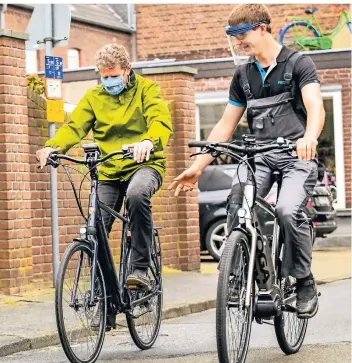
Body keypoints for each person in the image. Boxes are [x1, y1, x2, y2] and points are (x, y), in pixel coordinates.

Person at [168, 4, 325, 319]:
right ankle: (240, 275)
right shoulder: (243, 75)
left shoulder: (298, 64)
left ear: (263, 28)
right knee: (237, 200)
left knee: (286, 209)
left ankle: (304, 278)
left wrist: (309, 137)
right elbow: (225, 124)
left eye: (243, 34)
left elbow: (315, 105)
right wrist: (198, 166)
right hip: (259, 157)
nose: (239, 42)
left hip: (297, 156)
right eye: (233, 37)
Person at [37, 43, 173, 295]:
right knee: (95, 224)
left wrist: (148, 141)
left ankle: (140, 269)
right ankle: (103, 290)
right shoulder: (94, 97)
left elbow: (160, 120)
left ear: (127, 70)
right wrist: (52, 146)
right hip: (109, 169)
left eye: (114, 75)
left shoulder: (147, 90)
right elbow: (74, 127)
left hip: (144, 164)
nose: (109, 81)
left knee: (137, 194)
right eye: (104, 76)